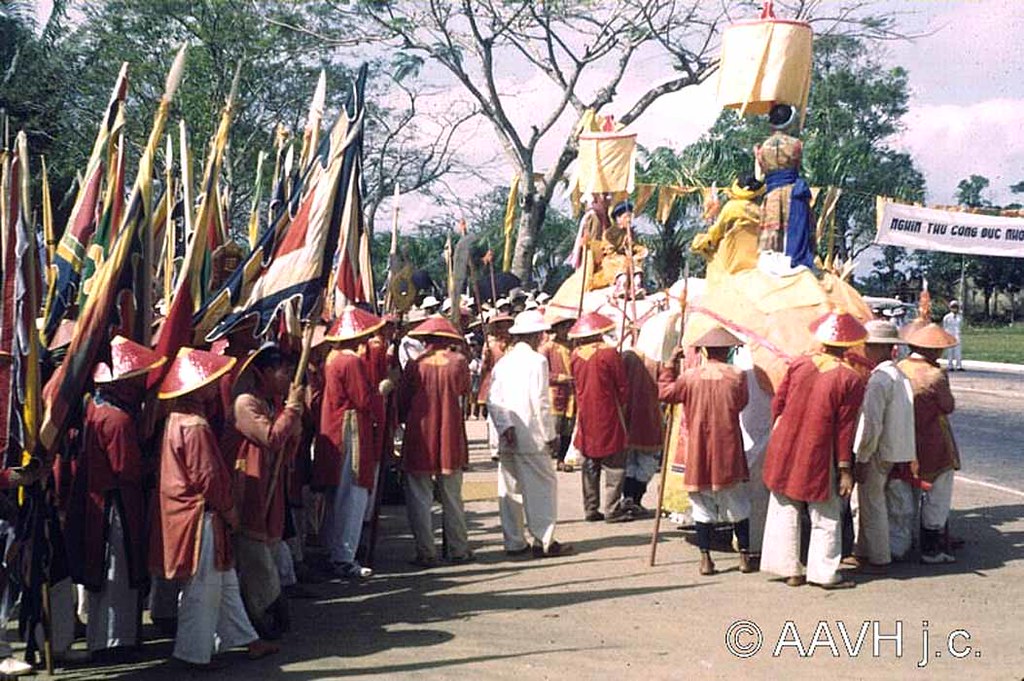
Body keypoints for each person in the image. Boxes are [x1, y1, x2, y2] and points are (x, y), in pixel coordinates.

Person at [154, 347, 277, 669]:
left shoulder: (179, 420)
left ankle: (245, 639)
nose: (216, 385)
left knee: (224, 582)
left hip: (196, 512)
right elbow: (208, 477)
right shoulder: (194, 425)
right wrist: (229, 509)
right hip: (200, 515)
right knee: (204, 586)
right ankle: (191, 654)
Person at [761, 310, 867, 589]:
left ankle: (789, 570)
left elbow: (778, 405)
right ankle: (823, 574)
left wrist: (782, 433)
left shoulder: (800, 364)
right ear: (849, 345)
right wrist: (845, 468)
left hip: (785, 443)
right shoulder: (851, 379)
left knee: (785, 506)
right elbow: (845, 428)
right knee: (826, 512)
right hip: (818, 450)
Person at [73, 337, 164, 657]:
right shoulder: (118, 419)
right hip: (118, 505)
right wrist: (152, 461)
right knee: (117, 575)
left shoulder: (96, 407)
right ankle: (115, 642)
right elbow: (127, 469)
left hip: (105, 500)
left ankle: (107, 638)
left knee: (111, 575)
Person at [658, 327, 753, 576]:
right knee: (738, 504)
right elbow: (742, 403)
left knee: (701, 505)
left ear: (704, 351)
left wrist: (669, 366)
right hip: (728, 446)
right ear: (728, 350)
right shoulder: (737, 375)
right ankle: (744, 557)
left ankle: (706, 559)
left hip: (699, 448)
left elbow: (665, 394)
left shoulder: (690, 376)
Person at [227, 344, 304, 638]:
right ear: (266, 372)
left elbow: (289, 441)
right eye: (283, 371)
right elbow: (270, 437)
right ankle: (261, 616)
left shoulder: (272, 402)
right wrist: (292, 410)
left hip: (272, 486)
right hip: (252, 486)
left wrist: (293, 413)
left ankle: (267, 611)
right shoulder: (246, 403)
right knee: (255, 553)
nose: (287, 377)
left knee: (269, 550)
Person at [487, 310, 573, 558]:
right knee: (541, 488)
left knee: (510, 489)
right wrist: (549, 434)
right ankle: (544, 540)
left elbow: (494, 400)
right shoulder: (537, 362)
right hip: (532, 434)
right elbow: (541, 401)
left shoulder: (504, 362)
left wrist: (505, 427)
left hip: (508, 434)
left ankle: (514, 541)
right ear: (536, 336)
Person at [312, 306, 386, 579]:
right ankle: (344, 555)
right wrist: (381, 390)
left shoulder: (331, 358)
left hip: (335, 425)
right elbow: (363, 400)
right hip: (351, 427)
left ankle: (335, 549)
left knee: (337, 496)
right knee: (352, 495)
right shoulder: (350, 361)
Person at [399, 316, 473, 567]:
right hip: (450, 432)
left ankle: (425, 551)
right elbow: (465, 391)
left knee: (419, 496)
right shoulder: (459, 362)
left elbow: (403, 401)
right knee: (452, 496)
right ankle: (458, 548)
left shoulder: (415, 365)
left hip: (420, 433)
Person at [848, 320, 916, 574]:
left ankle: (879, 557)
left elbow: (871, 424)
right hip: (893, 447)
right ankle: (864, 551)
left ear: (880, 347)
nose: (865, 350)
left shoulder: (879, 380)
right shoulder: (898, 375)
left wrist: (862, 456)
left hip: (877, 449)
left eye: (869, 345)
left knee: (871, 503)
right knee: (870, 500)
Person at [899, 323, 960, 564]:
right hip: (932, 439)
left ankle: (901, 543)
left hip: (903, 436)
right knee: (938, 494)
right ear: (932, 351)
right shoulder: (935, 374)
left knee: (903, 492)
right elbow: (948, 406)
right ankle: (931, 548)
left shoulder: (899, 368)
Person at [569, 311, 630, 523]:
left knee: (589, 464)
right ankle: (612, 508)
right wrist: (624, 406)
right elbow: (622, 386)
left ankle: (591, 508)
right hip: (608, 413)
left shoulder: (575, 355)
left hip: (585, 412)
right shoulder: (609, 353)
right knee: (615, 465)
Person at [755, 103, 815, 270]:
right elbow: (800, 165)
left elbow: (759, 175)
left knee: (772, 237)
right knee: (794, 232)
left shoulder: (761, 148)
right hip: (792, 194)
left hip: (772, 196)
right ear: (789, 121)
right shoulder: (796, 144)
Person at [690, 176, 765, 283]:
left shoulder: (732, 208)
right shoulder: (762, 212)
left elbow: (715, 233)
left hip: (731, 262)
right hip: (757, 262)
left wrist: (699, 243)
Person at [621, 348, 663, 517]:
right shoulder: (648, 379)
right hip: (647, 430)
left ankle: (629, 498)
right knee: (645, 465)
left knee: (629, 464)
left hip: (629, 427)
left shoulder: (622, 381)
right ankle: (634, 499)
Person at [540, 314, 577, 472]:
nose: (566, 330)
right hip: (554, 392)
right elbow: (543, 372)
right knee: (553, 427)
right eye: (563, 327)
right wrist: (559, 377)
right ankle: (548, 459)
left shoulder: (574, 346)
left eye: (568, 326)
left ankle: (562, 459)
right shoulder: (547, 348)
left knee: (568, 428)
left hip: (571, 393)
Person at [942, 300, 964, 371]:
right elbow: (944, 326)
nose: (954, 308)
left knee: (958, 351)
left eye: (955, 307)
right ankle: (950, 366)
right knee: (950, 351)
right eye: (953, 307)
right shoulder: (947, 317)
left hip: (957, 335)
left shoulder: (960, 317)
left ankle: (959, 366)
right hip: (949, 335)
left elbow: (961, 325)